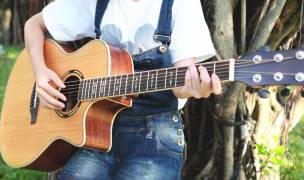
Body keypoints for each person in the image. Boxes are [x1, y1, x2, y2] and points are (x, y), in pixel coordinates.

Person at [24, 0, 222, 179]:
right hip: (98, 131)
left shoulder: (179, 3)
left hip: (155, 136)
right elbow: (34, 24)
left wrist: (195, 88)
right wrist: (40, 72)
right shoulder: (93, 3)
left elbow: (181, 84)